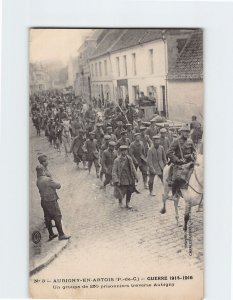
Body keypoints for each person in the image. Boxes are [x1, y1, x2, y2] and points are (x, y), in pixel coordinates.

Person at [36, 165, 71, 241]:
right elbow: (58, 186)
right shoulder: (47, 180)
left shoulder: (38, 180)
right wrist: (51, 179)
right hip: (51, 201)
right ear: (43, 171)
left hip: (44, 201)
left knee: (47, 217)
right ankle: (61, 235)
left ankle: (51, 234)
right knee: (57, 216)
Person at [167, 125, 196, 198]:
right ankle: (175, 193)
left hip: (190, 163)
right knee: (177, 178)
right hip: (179, 164)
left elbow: (194, 151)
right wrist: (177, 160)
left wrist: (193, 156)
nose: (187, 133)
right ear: (181, 132)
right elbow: (169, 153)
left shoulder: (190, 141)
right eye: (185, 132)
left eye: (188, 132)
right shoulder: (176, 141)